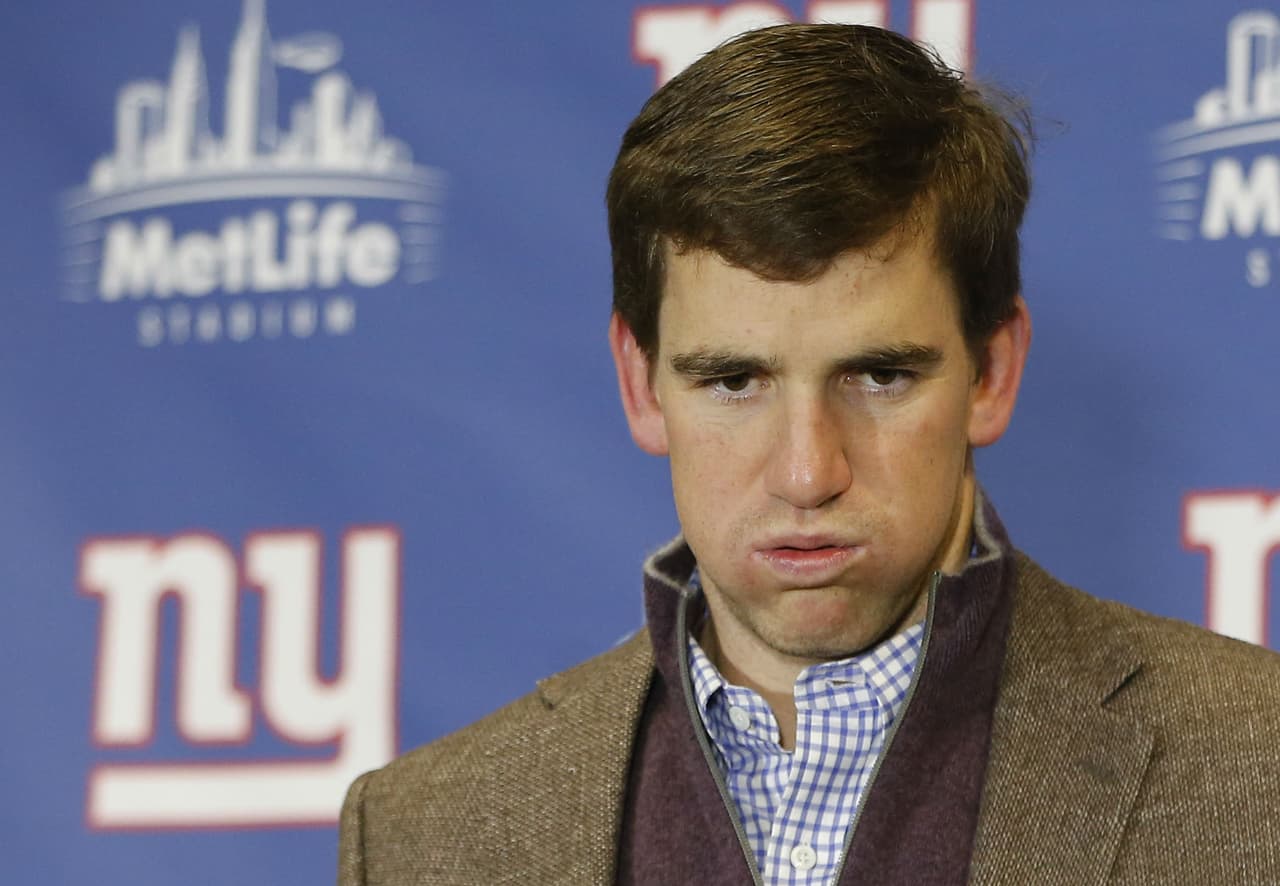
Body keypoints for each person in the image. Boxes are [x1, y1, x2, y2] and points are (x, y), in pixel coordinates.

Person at [337, 24, 1280, 885]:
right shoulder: (423, 837)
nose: (807, 473)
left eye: (879, 376)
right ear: (640, 382)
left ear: (991, 371)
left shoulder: (1257, 764)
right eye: (732, 381)